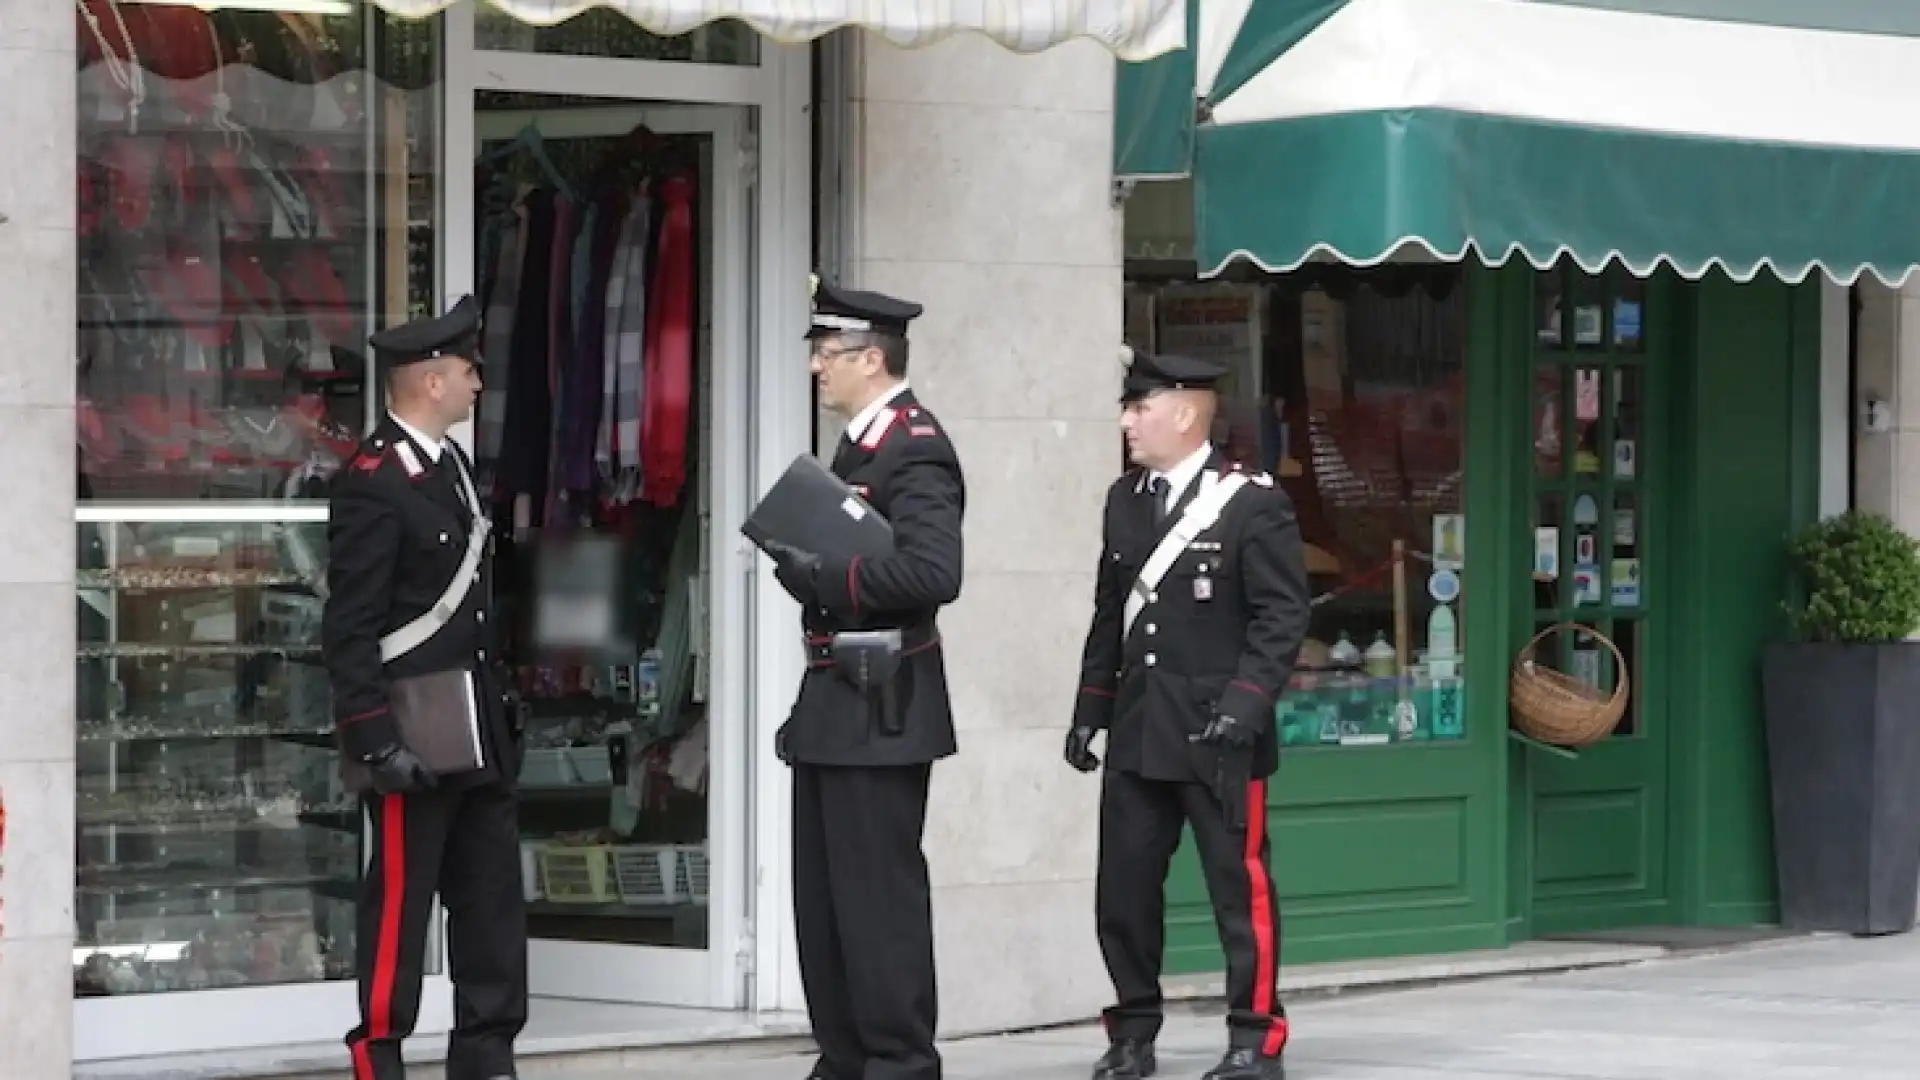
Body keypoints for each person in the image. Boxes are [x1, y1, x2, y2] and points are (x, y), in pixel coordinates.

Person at [1065, 348, 1311, 1080]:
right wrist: (1090, 708)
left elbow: (1281, 615)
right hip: (1142, 730)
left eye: (1139, 408)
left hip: (1218, 734)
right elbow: (1112, 611)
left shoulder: (1251, 499)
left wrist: (1246, 705)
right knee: (1124, 893)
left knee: (1241, 894)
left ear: (1183, 412)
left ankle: (1254, 1038)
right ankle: (1133, 1032)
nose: (1126, 420)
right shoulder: (1125, 498)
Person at [759, 278, 966, 1080]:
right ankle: (845, 1055)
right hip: (837, 700)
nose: (817, 367)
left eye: (828, 353)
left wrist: (826, 573)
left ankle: (897, 1061)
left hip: (884, 704)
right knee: (826, 904)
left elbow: (932, 572)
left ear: (872, 359)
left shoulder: (915, 444)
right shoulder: (863, 444)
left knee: (877, 904)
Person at [322, 295, 527, 1080]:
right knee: (402, 909)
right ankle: (378, 1057)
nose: (479, 383)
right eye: (470, 370)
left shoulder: (453, 469)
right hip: (411, 729)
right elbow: (351, 625)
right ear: (432, 380)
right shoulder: (375, 481)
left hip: (476, 724)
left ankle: (487, 1056)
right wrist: (373, 736)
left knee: (492, 908)